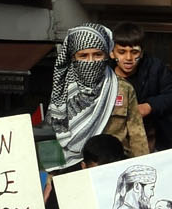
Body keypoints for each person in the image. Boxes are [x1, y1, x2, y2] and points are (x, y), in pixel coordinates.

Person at [45, 24, 144, 166]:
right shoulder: (61, 91)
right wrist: (51, 174)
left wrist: (142, 165)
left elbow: (137, 134)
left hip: (114, 165)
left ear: (107, 54)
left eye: (98, 54)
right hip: (71, 170)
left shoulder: (122, 88)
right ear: (73, 57)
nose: (91, 61)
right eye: (83, 56)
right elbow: (50, 134)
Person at [111, 34, 172, 147]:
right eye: (122, 52)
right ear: (112, 53)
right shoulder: (104, 73)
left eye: (134, 52)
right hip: (115, 138)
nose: (128, 58)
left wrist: (149, 106)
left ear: (141, 53)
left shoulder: (154, 68)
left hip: (152, 136)